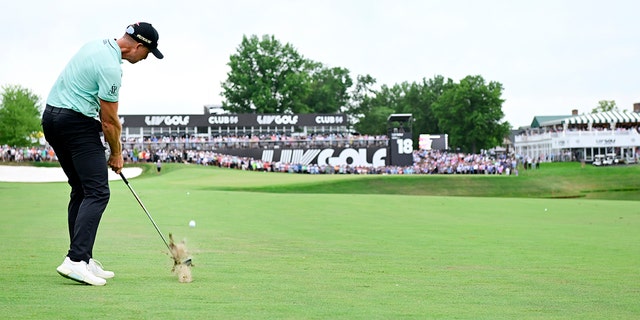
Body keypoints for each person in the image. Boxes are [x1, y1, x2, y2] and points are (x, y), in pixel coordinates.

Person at [41, 22, 163, 286]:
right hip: (75, 124)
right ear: (138, 46)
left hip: (51, 119)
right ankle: (75, 261)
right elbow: (109, 120)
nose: (145, 60)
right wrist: (117, 153)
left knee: (82, 190)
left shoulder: (95, 46)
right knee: (98, 191)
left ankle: (82, 259)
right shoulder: (111, 68)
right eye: (148, 54)